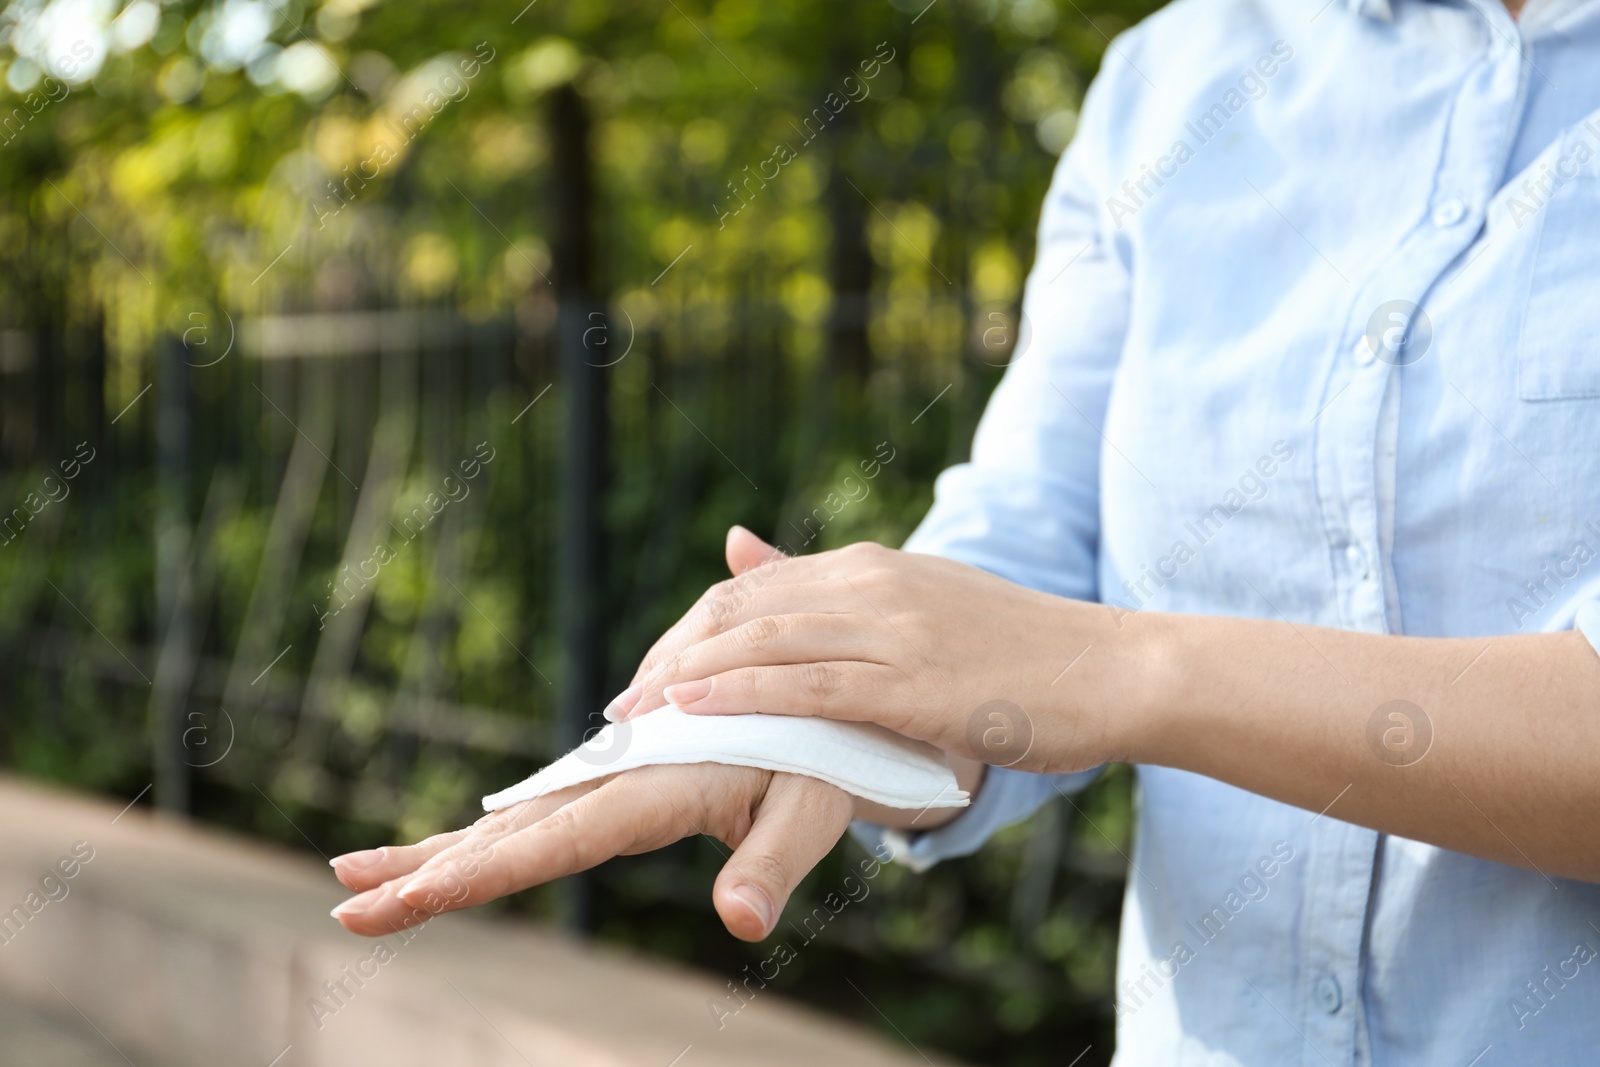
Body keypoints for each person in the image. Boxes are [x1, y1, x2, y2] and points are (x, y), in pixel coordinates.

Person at [331, 0, 1600, 1058]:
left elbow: (1060, 643)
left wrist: (1116, 667)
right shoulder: (1176, 80)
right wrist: (803, 709)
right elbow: (1027, 540)